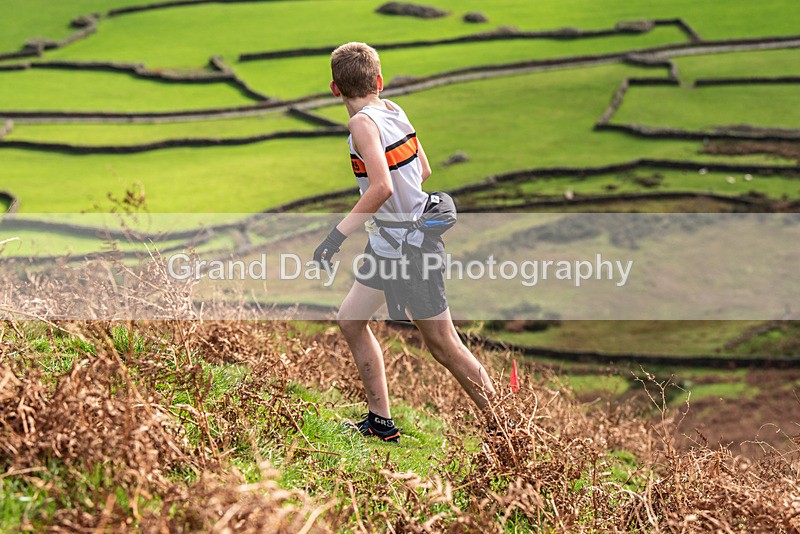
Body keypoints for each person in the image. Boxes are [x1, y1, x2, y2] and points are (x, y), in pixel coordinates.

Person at [313, 42, 496, 443]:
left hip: (411, 249)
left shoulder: (361, 124)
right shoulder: (394, 110)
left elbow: (379, 187)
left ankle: (507, 427)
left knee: (443, 344)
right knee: (350, 319)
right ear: (378, 81)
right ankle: (380, 422)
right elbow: (424, 169)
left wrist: (335, 235)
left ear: (334, 88)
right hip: (390, 245)